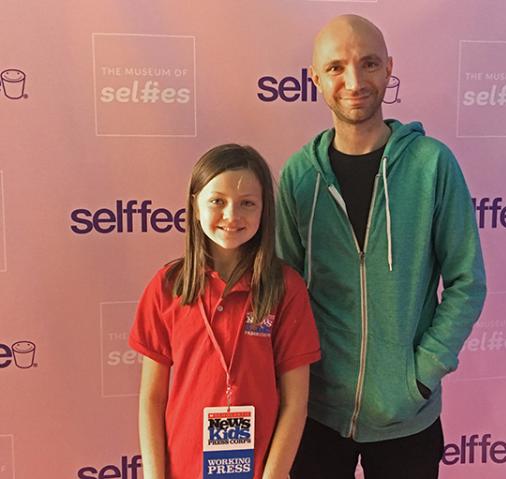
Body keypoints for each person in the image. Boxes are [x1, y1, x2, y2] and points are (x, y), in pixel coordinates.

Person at [276, 14, 486, 479]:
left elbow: (467, 281)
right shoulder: (298, 176)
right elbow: (284, 290)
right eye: (335, 68)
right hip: (315, 413)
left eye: (368, 63)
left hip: (407, 416)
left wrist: (421, 374)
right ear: (315, 78)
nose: (354, 81)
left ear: (389, 68)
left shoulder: (432, 165)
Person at [129, 144, 321, 479]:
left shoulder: (285, 288)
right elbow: (152, 399)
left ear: (264, 210)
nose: (232, 215)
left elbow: (295, 402)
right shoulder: (167, 286)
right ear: (195, 205)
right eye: (218, 201)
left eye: (248, 203)